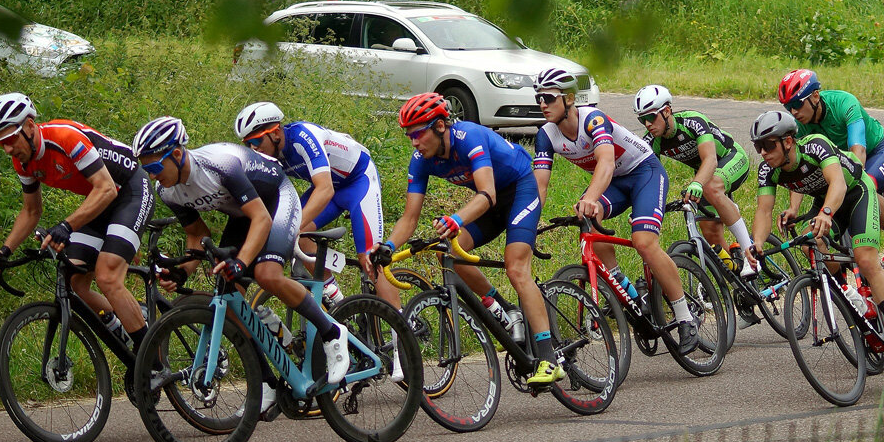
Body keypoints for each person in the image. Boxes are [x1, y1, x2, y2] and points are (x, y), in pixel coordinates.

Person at [130, 116, 352, 419]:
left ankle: (331, 332)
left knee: (266, 274)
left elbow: (261, 218)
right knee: (231, 302)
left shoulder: (220, 164)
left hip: (276, 201)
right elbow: (198, 235)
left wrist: (242, 261)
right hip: (244, 214)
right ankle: (267, 384)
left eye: (155, 168)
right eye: (147, 170)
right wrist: (183, 270)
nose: (154, 177)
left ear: (177, 155)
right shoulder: (168, 191)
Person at [368, 92, 565, 386]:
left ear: (439, 126)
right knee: (447, 254)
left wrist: (456, 219)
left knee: (516, 268)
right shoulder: (421, 160)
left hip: (520, 189)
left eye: (418, 133)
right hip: (491, 202)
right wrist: (387, 247)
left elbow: (488, 194)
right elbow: (409, 218)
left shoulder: (469, 138)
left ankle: (550, 359)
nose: (414, 142)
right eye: (409, 136)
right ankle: (505, 310)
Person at [0, 93, 155, 402]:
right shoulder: (23, 160)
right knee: (75, 280)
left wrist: (66, 226)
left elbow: (105, 188)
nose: (7, 149)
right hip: (100, 201)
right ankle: (125, 321)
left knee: (108, 276)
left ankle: (150, 360)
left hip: (128, 190)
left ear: (30, 126)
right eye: (0, 143)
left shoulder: (65, 138)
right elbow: (31, 211)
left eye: (9, 139)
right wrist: (3, 251)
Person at [533, 68, 700, 354]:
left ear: (569, 99)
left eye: (548, 97)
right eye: (538, 98)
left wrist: (591, 197)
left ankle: (685, 316)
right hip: (616, 184)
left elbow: (607, 164)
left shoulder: (593, 120)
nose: (542, 104)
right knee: (587, 218)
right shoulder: (545, 136)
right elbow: (540, 186)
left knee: (644, 243)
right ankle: (627, 290)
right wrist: (529, 223)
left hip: (644, 173)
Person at [749, 110, 884, 366]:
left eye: (768, 145)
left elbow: (837, 183)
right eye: (758, 146)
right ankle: (847, 291)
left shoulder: (816, 145)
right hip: (826, 202)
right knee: (809, 243)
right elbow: (764, 210)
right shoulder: (767, 171)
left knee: (866, 260)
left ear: (788, 141)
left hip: (856, 192)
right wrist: (757, 243)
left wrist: (826, 212)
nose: (762, 152)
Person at [232, 101, 400, 309]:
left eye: (256, 140)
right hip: (330, 186)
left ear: (275, 133)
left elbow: (325, 189)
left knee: (369, 260)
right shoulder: (269, 155)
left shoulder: (303, 137)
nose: (253, 148)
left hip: (358, 181)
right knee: (300, 238)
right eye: (247, 143)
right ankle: (337, 300)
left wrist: (291, 227)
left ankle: (401, 333)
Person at [776, 69, 884, 276]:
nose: (794, 112)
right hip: (842, 169)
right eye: (788, 107)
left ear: (815, 96)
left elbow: (858, 152)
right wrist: (793, 207)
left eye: (797, 104)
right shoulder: (798, 127)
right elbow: (801, 170)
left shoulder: (844, 103)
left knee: (865, 184)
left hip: (877, 154)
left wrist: (849, 186)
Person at [633, 84, 758, 276]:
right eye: (642, 120)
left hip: (731, 158)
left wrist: (697, 183)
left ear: (666, 111)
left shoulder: (692, 121)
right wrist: (641, 207)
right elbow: (650, 177)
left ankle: (750, 252)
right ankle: (736, 277)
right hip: (707, 175)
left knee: (711, 187)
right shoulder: (652, 141)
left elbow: (710, 159)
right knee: (710, 233)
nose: (648, 124)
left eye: (651, 116)